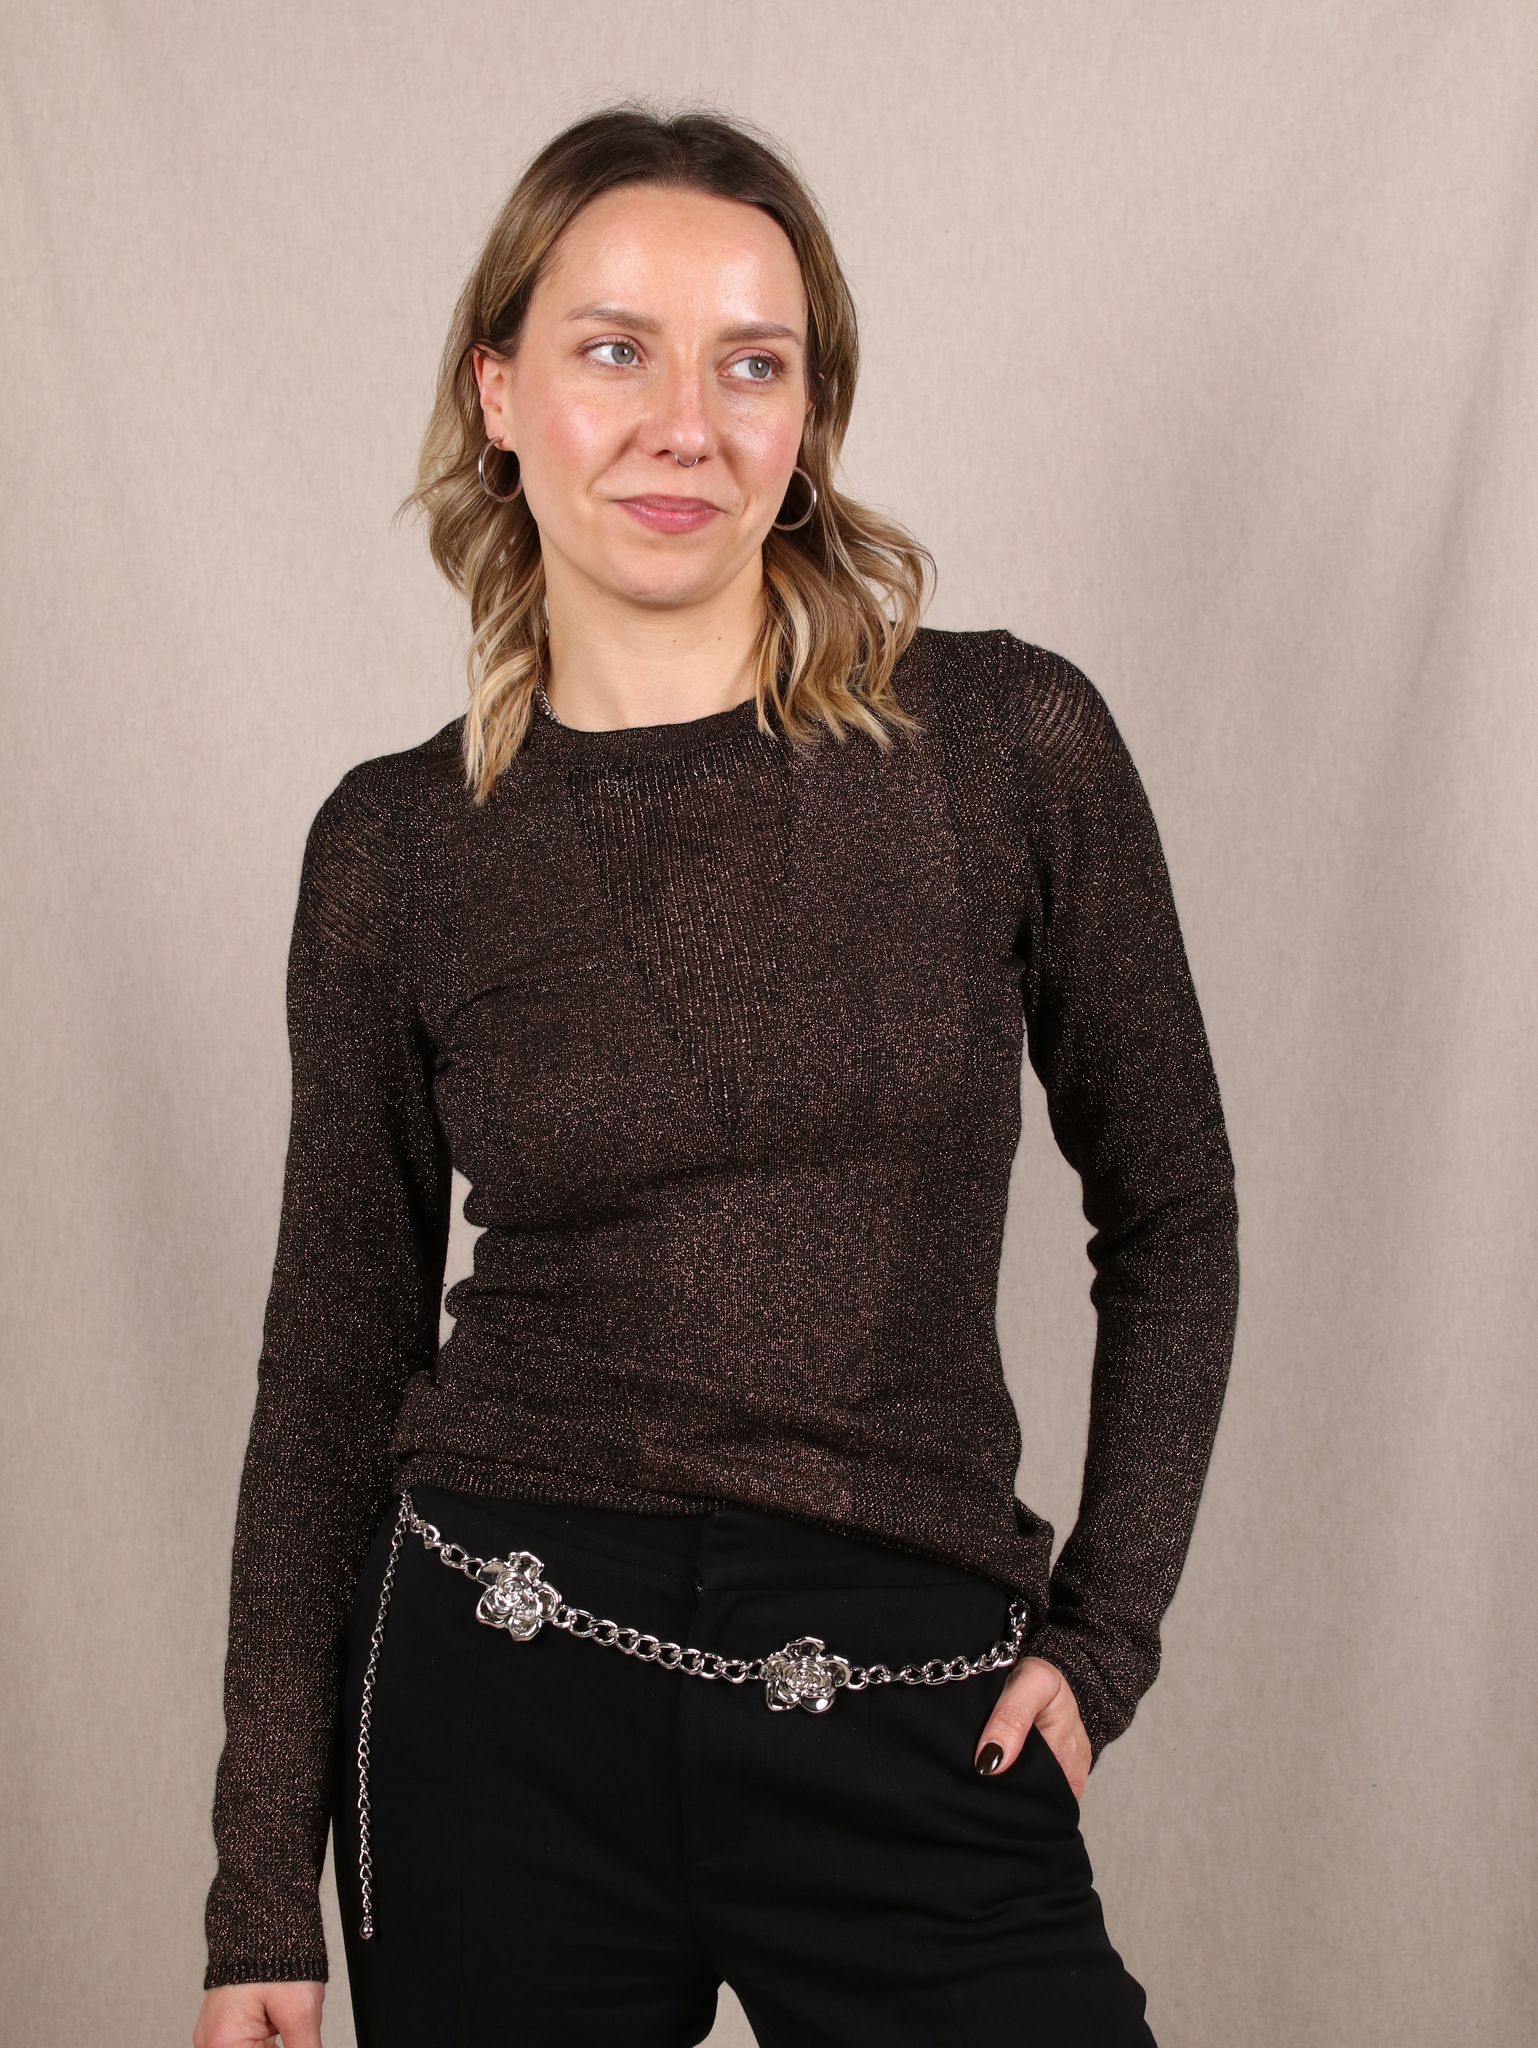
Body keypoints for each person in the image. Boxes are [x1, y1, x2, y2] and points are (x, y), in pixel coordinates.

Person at [193, 100, 1239, 2048]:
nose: (686, 424)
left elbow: (1173, 1206)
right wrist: (262, 1878)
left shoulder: (1005, 748)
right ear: (499, 392)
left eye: (751, 364)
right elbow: (331, 1360)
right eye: (616, 351)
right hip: (494, 1692)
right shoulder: (398, 847)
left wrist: (1103, 1640)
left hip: (905, 1686)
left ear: (808, 413)